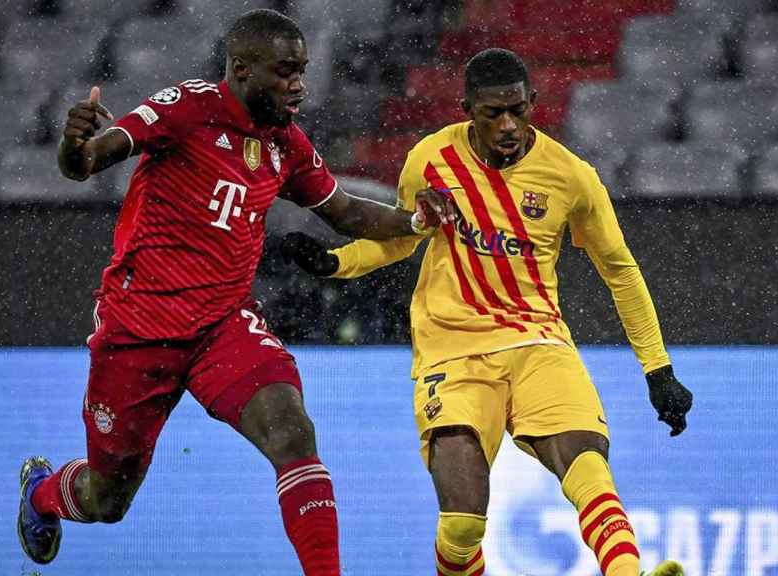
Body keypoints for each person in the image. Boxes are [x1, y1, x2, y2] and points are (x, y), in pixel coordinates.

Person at [16, 9, 438, 575]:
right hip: (139, 331)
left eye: (303, 71)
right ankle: (42, 492)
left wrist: (417, 222)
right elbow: (89, 160)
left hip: (223, 325)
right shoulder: (187, 107)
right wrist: (75, 145)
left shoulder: (284, 142)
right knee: (107, 500)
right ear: (241, 70)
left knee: (293, 433)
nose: (299, 84)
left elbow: (344, 211)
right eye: (285, 72)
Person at [284, 48, 693, 576]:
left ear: (533, 104)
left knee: (590, 469)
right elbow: (403, 240)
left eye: (518, 111)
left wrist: (658, 370)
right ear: (466, 109)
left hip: (538, 344)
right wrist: (335, 262)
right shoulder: (431, 159)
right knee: (462, 526)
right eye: (492, 113)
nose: (507, 125)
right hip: (452, 355)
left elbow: (621, 270)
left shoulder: (571, 177)